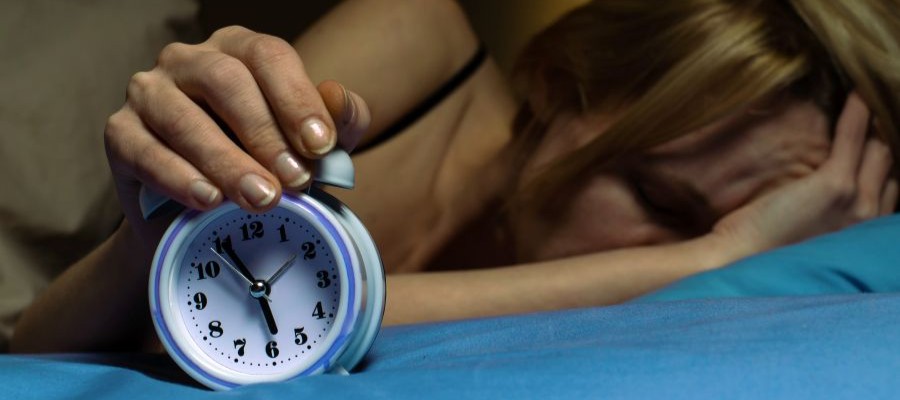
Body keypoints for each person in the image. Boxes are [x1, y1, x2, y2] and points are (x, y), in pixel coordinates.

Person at [10, 0, 899, 353]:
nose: (653, 250)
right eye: (659, 200)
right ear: (558, 88)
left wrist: (737, 266)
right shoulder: (416, 45)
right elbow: (51, 346)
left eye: (697, 241)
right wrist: (701, 263)